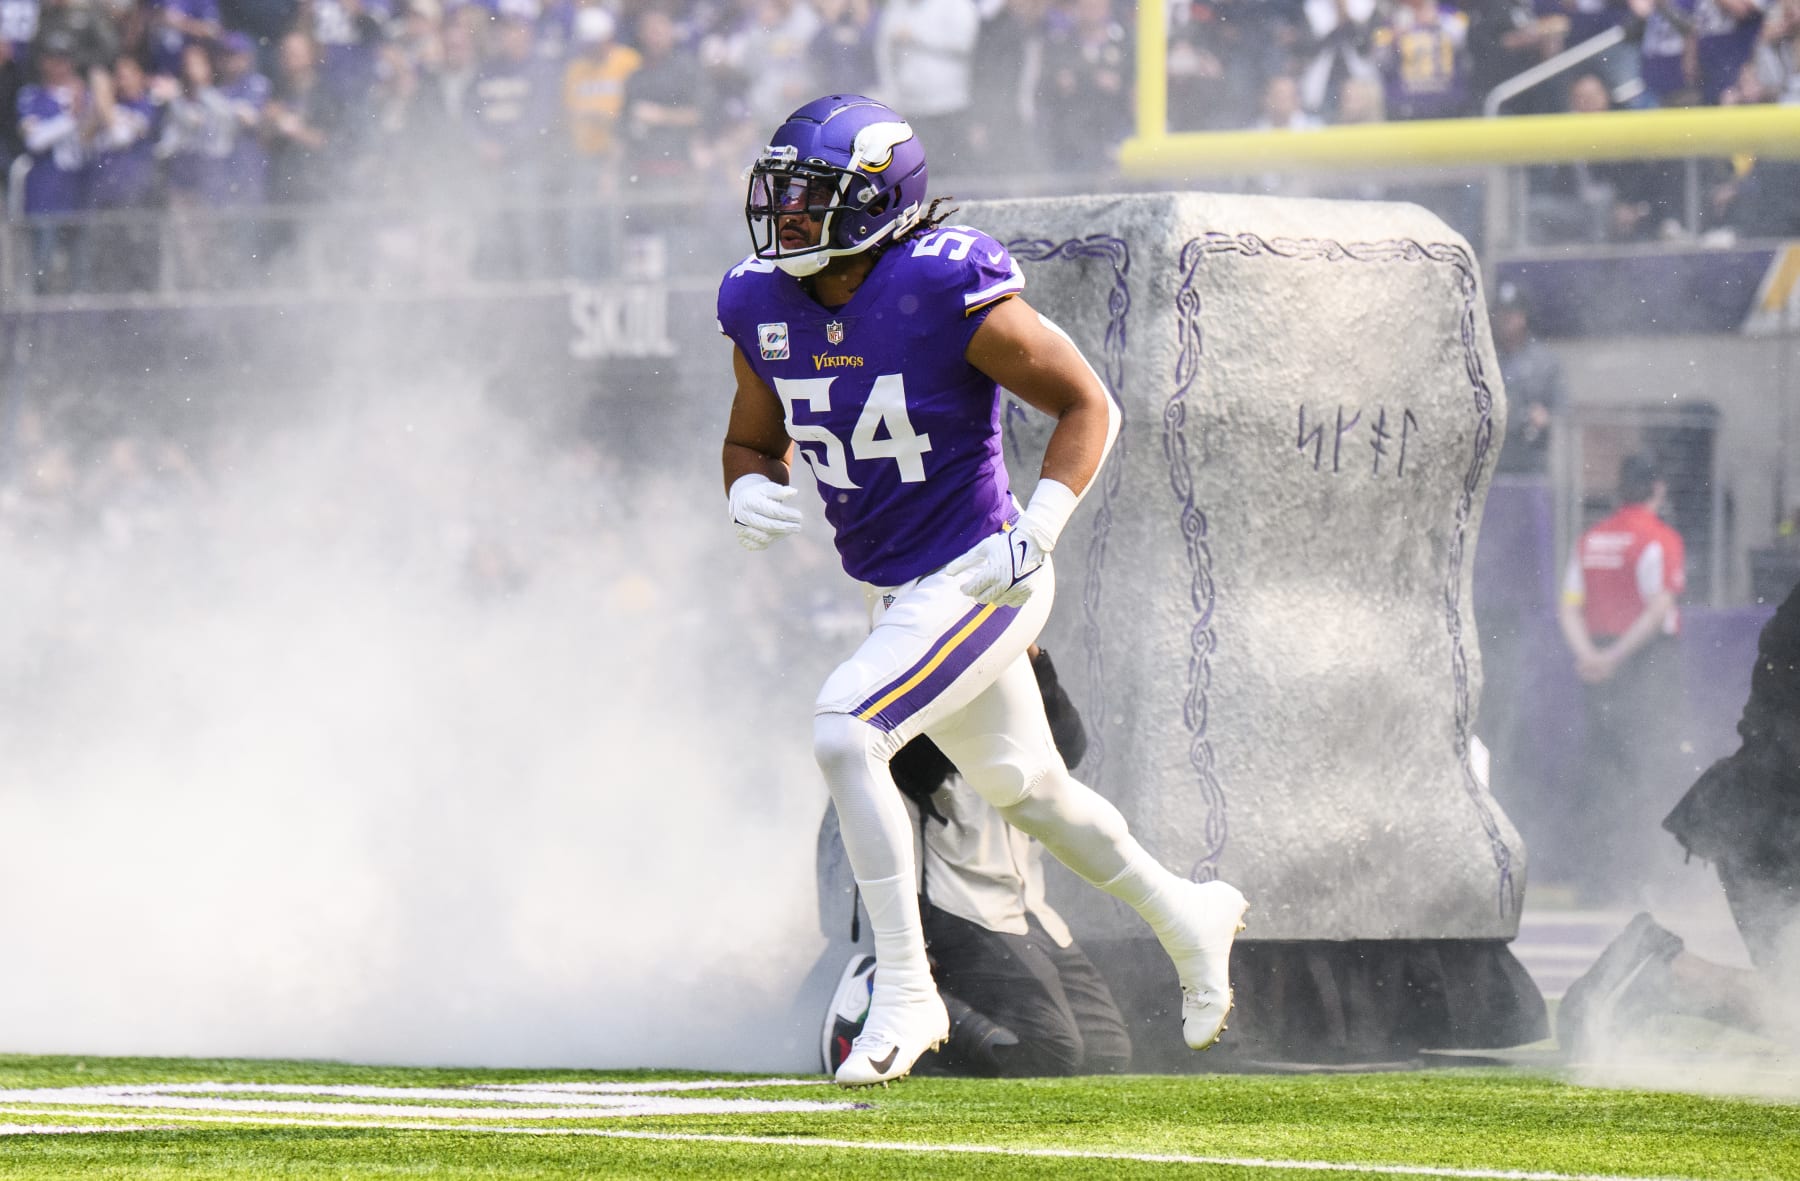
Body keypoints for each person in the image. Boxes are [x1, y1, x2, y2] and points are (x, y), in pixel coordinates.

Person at [718, 93, 1249, 1088]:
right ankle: (1190, 913)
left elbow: (1087, 401)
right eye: (780, 199)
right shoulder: (759, 302)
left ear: (877, 203)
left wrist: (1038, 529)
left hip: (979, 574)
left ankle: (908, 985)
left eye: (810, 202)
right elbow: (753, 435)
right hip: (896, 589)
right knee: (1035, 794)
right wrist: (747, 480)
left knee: (844, 725)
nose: (785, 220)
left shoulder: (940, 283)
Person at [819, 645, 1133, 1078]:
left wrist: (1032, 660)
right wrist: (974, 665)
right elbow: (919, 767)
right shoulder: (914, 671)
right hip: (956, 904)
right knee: (1049, 1052)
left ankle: (931, 999)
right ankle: (877, 999)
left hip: (1027, 907)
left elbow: (1070, 746)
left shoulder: (1011, 670)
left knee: (1107, 1055)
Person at [1558, 579, 1800, 1061]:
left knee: (1790, 1011)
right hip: (1772, 821)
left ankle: (1661, 973)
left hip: (1764, 813)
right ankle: (1667, 975)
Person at [1556, 452, 1688, 906]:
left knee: (1602, 772)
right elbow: (1658, 609)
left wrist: (1590, 655)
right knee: (1648, 771)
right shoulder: (1660, 540)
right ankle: (1644, 879)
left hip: (1597, 666)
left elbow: (1569, 605)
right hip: (1644, 664)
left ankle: (1597, 882)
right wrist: (1616, 656)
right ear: (1657, 489)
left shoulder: (1591, 541)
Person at [1490, 282, 1565, 477]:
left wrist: (1545, 416)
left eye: (1511, 313)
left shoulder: (1545, 362)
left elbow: (1563, 409)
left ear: (1523, 316)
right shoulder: (1486, 360)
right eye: (1501, 313)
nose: (1505, 319)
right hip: (1494, 467)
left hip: (1533, 467)